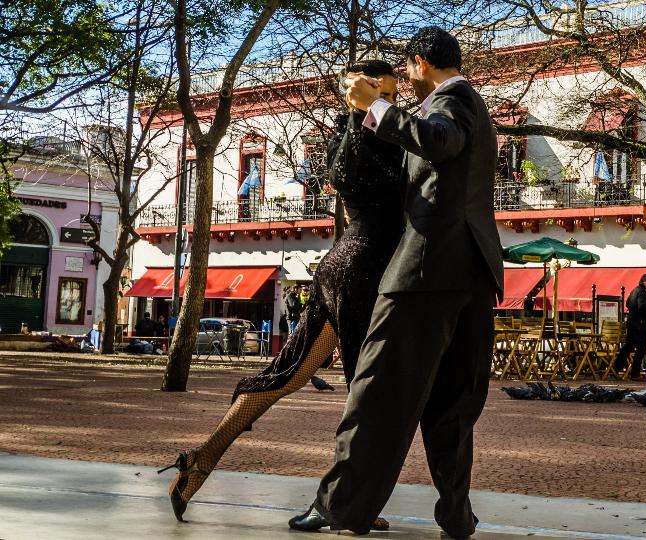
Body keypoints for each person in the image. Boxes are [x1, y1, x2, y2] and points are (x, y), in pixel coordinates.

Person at [159, 59, 406, 526]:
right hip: (360, 272)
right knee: (365, 395)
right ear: (359, 93)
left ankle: (200, 461)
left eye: (393, 97)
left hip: (349, 268)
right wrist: (361, 115)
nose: (390, 104)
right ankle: (345, 502)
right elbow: (352, 177)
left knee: (288, 376)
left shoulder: (379, 137)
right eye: (383, 93)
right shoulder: (360, 140)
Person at [288, 27, 503, 538]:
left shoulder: (449, 102)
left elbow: (438, 141)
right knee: (454, 402)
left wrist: (375, 108)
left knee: (375, 391)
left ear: (420, 62)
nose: (405, 82)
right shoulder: (476, 106)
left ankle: (340, 507)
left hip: (424, 273)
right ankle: (455, 515)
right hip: (472, 273)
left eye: (407, 70)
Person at [613, 273, 646, 382]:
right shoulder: (643, 292)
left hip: (632, 323)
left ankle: (615, 368)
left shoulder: (635, 290)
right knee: (641, 349)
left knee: (628, 347)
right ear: (644, 282)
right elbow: (642, 307)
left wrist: (634, 312)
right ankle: (635, 374)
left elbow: (627, 303)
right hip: (640, 326)